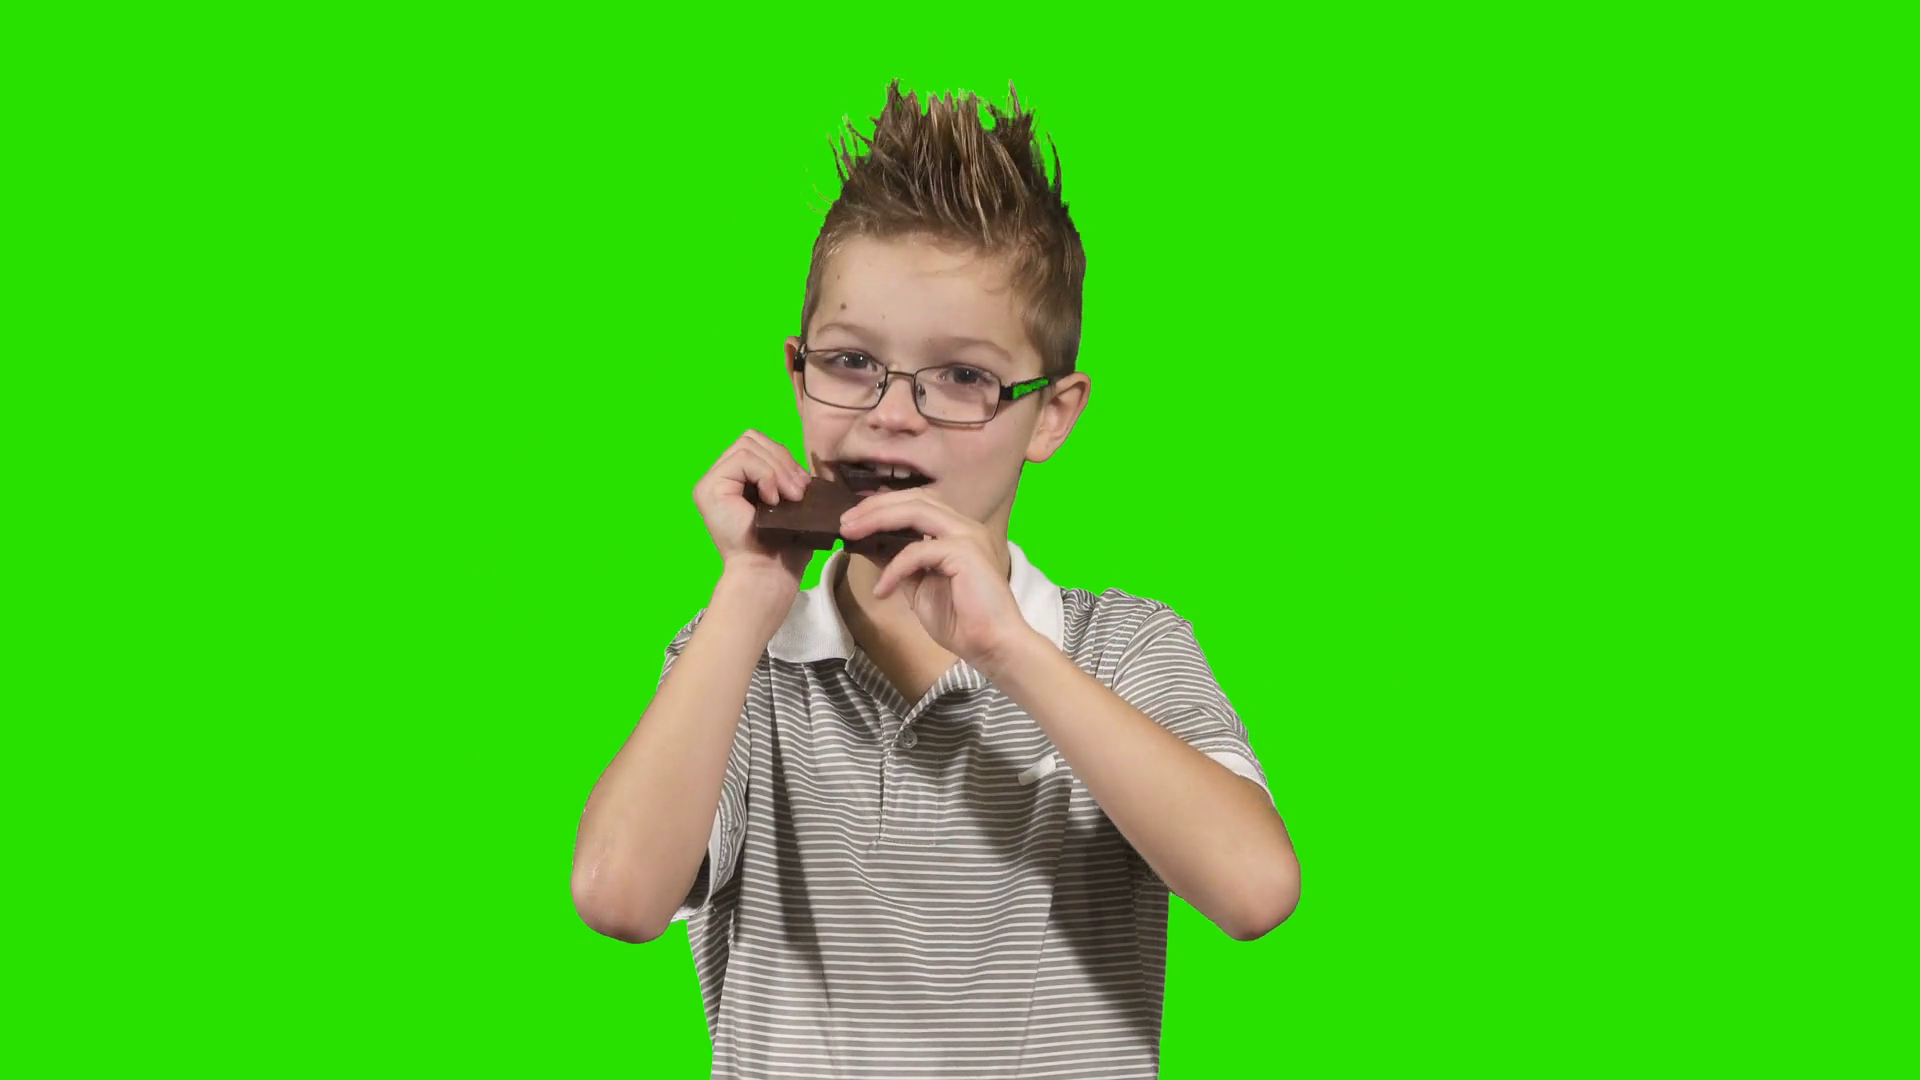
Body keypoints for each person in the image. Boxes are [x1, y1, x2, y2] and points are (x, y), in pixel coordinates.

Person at [571, 79, 1300, 1079]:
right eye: (850, 362)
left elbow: (1256, 890)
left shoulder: (1122, 649)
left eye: (962, 377)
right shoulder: (738, 663)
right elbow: (617, 895)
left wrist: (1010, 651)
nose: (891, 413)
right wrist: (744, 599)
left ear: (1051, 415)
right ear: (797, 374)